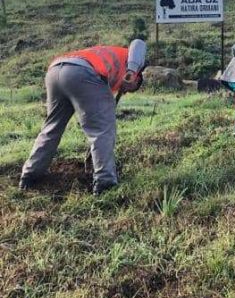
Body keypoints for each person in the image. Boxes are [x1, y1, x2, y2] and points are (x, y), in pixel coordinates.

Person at [19, 40, 147, 195]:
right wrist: (133, 71)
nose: (125, 90)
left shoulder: (104, 57)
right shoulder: (132, 60)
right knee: (102, 130)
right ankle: (105, 182)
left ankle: (29, 175)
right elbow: (139, 42)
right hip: (83, 72)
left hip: (56, 71)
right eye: (132, 89)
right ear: (138, 77)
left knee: (51, 128)